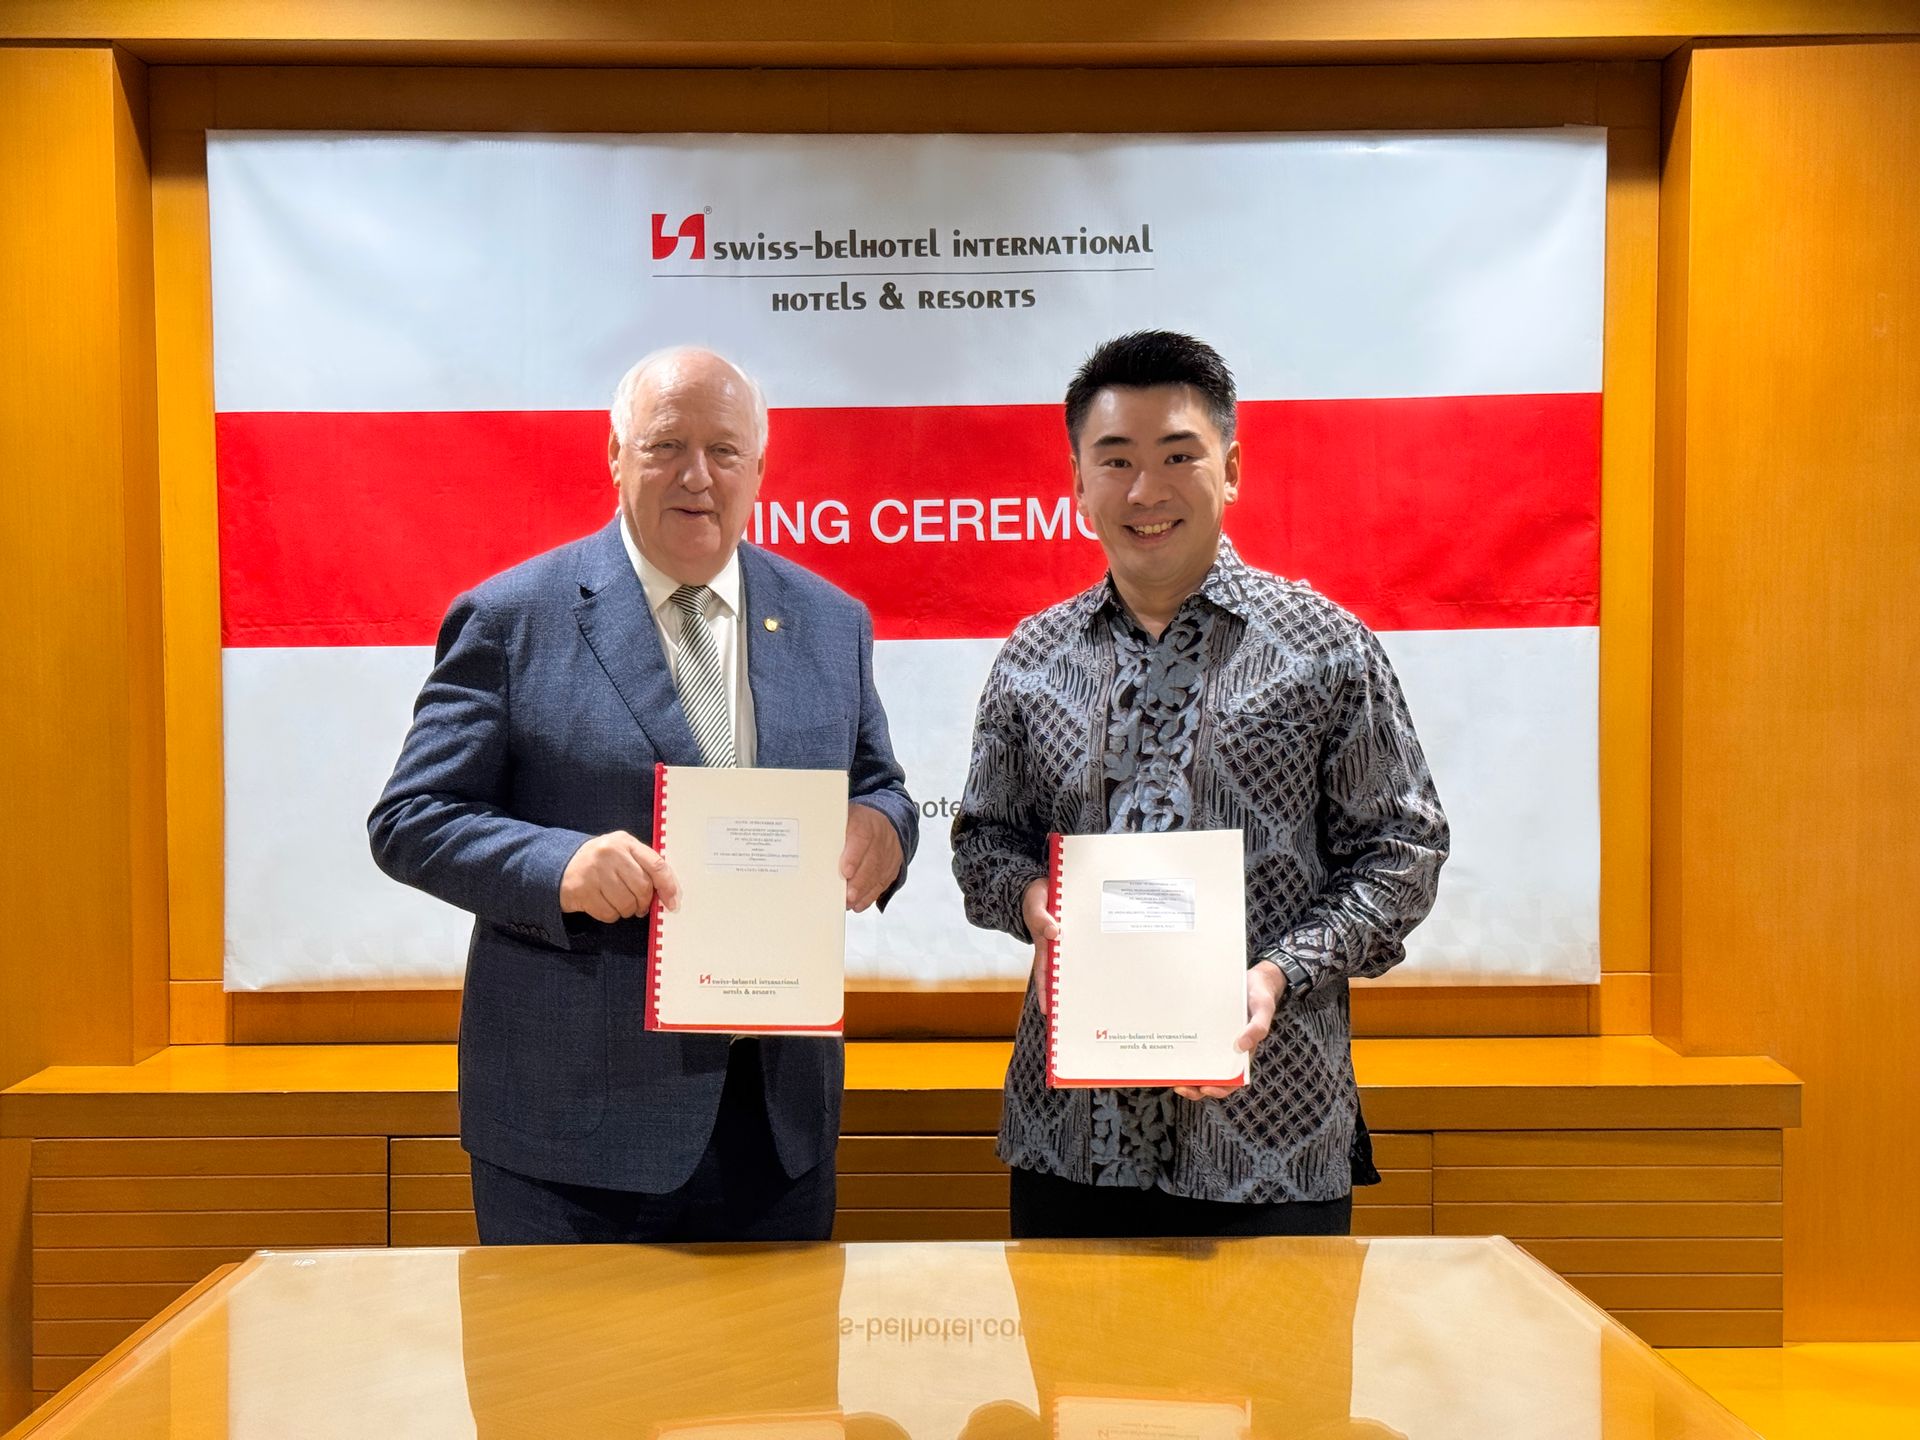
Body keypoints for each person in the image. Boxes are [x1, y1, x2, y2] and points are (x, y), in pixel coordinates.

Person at [371, 346, 917, 1244]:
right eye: (666, 446)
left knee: (780, 1390)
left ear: (759, 469)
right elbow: (411, 819)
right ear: (615, 456)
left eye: (725, 451)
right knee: (565, 1388)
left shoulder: (830, 621)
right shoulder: (511, 620)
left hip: (777, 1130)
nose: (697, 476)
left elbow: (879, 787)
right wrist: (560, 866)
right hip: (573, 1134)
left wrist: (885, 831)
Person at [951, 330, 1447, 1238]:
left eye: (1179, 455)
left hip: (1271, 1131)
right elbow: (982, 840)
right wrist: (1029, 899)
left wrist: (1279, 973)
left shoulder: (1324, 647)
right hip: (1072, 1140)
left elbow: (1402, 853)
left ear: (1232, 469)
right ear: (1078, 481)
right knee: (1073, 1382)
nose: (1146, 490)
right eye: (1117, 460)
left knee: (1277, 1386)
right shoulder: (1031, 658)